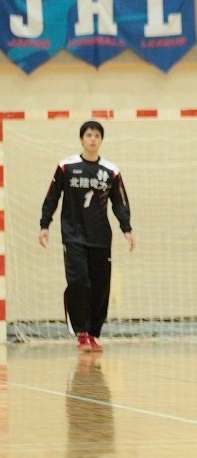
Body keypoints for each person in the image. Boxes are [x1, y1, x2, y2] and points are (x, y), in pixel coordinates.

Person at [39, 121, 134, 352]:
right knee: (79, 281)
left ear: (101, 140)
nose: (93, 139)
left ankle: (93, 333)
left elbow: (120, 202)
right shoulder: (66, 167)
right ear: (82, 139)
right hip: (73, 236)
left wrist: (127, 228)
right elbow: (52, 197)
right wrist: (44, 224)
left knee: (101, 286)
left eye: (97, 135)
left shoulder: (111, 171)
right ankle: (81, 332)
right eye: (89, 135)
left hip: (100, 237)